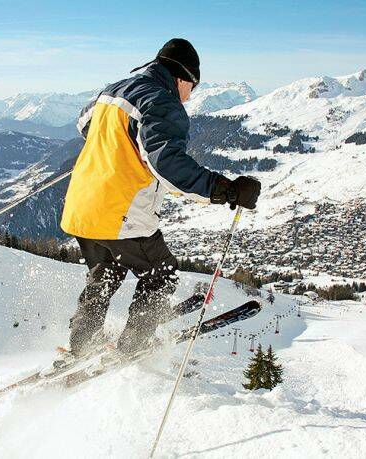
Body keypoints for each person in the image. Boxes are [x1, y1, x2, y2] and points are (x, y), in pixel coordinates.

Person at [60, 38, 261, 360]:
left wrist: (117, 147)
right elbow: (167, 165)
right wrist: (226, 190)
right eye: (191, 88)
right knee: (160, 273)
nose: (189, 96)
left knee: (105, 275)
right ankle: (130, 348)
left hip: (82, 206)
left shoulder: (115, 90)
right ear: (183, 77)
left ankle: (81, 346)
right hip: (119, 211)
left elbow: (84, 124)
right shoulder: (162, 101)